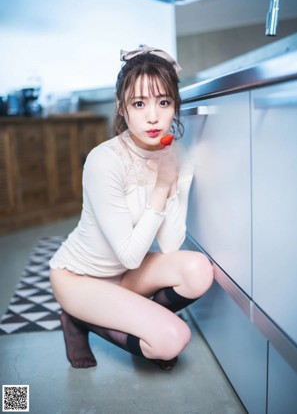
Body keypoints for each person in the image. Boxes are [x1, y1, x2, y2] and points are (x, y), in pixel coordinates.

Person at [50, 45, 214, 371]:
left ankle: (130, 314)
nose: (153, 117)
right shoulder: (104, 160)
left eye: (163, 102)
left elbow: (169, 245)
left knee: (199, 270)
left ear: (174, 107)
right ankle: (78, 318)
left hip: (125, 276)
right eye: (139, 104)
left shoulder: (177, 156)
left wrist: (173, 180)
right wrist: (162, 187)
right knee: (171, 340)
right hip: (79, 278)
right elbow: (130, 256)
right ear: (123, 109)